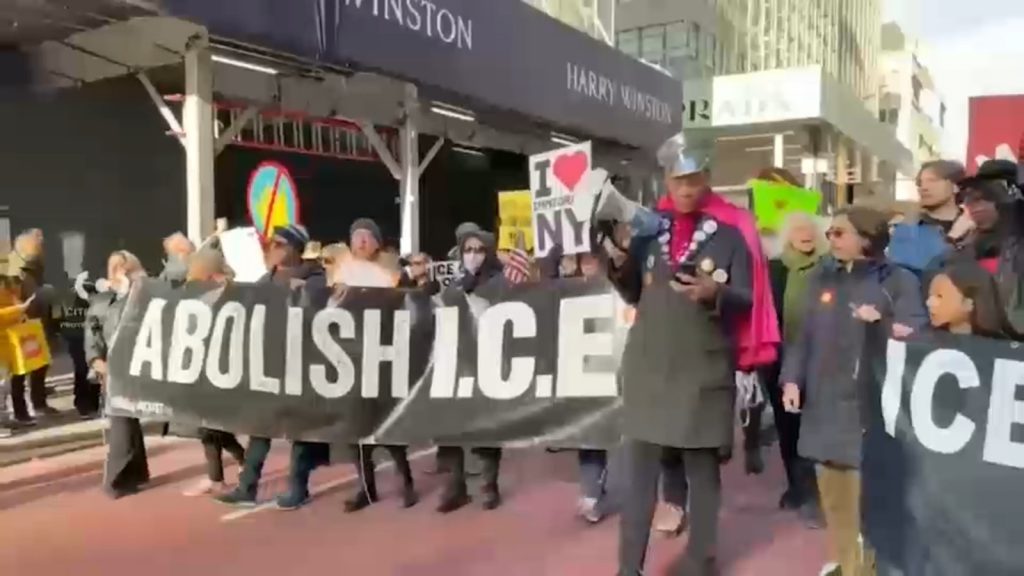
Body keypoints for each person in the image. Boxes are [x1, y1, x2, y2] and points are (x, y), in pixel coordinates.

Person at [609, 134, 777, 576]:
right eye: (678, 180)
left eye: (694, 180)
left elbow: (747, 298)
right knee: (638, 480)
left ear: (706, 179)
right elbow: (630, 292)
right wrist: (618, 256)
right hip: (648, 367)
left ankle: (701, 561)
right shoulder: (648, 229)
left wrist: (714, 291)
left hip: (702, 370)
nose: (686, 189)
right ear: (666, 180)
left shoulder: (728, 236)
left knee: (703, 474)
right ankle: (629, 568)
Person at [781, 206, 927, 576]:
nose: (830, 239)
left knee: (867, 498)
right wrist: (792, 380)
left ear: (866, 238)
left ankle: (866, 567)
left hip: (868, 405)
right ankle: (845, 562)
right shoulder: (822, 278)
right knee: (832, 492)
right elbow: (802, 336)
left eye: (839, 233)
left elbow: (919, 335)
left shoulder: (898, 281)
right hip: (822, 400)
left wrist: (884, 323)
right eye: (830, 233)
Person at [217, 224, 332, 510]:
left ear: (296, 248)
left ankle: (298, 487)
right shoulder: (265, 280)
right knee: (260, 426)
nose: (273, 248)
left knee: (299, 430)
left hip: (303, 365)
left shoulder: (316, 279)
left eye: (280, 243)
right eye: (271, 243)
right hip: (269, 364)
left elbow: (324, 314)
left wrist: (302, 294)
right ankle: (247, 487)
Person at [340, 218, 418, 513]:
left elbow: (411, 306)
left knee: (387, 424)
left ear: (377, 242)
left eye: (367, 237)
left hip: (385, 356)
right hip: (350, 359)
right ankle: (366, 487)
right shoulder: (341, 272)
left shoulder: (392, 272)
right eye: (356, 236)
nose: (361, 242)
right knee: (355, 429)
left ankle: (406, 481)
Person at [436, 227, 506, 513]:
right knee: (450, 425)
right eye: (468, 250)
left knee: (486, 426)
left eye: (479, 250)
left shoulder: (498, 280)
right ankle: (456, 487)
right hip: (457, 360)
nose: (473, 255)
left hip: (488, 360)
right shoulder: (453, 281)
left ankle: (489, 485)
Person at [763, 212, 826, 525]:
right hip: (778, 357)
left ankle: (817, 492)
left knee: (814, 423)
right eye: (799, 229)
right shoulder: (773, 268)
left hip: (820, 358)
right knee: (787, 425)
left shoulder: (829, 268)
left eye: (810, 229)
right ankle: (797, 485)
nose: (806, 234)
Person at [179, 248, 247, 497]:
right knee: (208, 426)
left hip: (221, 366)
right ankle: (227, 470)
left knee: (211, 427)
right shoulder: (196, 292)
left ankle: (223, 474)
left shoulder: (229, 292)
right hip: (200, 365)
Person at [87, 250, 151, 499]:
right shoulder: (103, 299)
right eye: (114, 267)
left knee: (126, 418)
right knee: (123, 419)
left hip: (135, 364)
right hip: (111, 366)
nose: (118, 273)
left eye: (123, 268)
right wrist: (95, 359)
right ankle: (125, 476)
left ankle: (125, 475)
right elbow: (92, 329)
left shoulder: (142, 296)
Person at [888, 160, 971, 279]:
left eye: (933, 180)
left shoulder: (974, 225)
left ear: (955, 186)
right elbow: (912, 273)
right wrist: (952, 239)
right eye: (920, 183)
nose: (924, 188)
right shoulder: (907, 227)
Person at [7, 229, 56, 423]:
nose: (42, 246)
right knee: (19, 370)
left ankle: (38, 403)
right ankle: (21, 411)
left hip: (34, 322)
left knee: (39, 364)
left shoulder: (32, 266)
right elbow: (15, 297)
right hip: (21, 325)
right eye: (39, 242)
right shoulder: (17, 269)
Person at [926, 260, 1017, 339]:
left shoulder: (1001, 347)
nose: (929, 302)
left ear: (968, 303)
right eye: (931, 295)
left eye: (939, 296)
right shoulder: (924, 339)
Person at [0, 276, 32, 437]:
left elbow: (16, 310)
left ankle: (4, 419)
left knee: (5, 387)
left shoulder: (7, 293)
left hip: (8, 349)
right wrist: (19, 309)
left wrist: (21, 313)